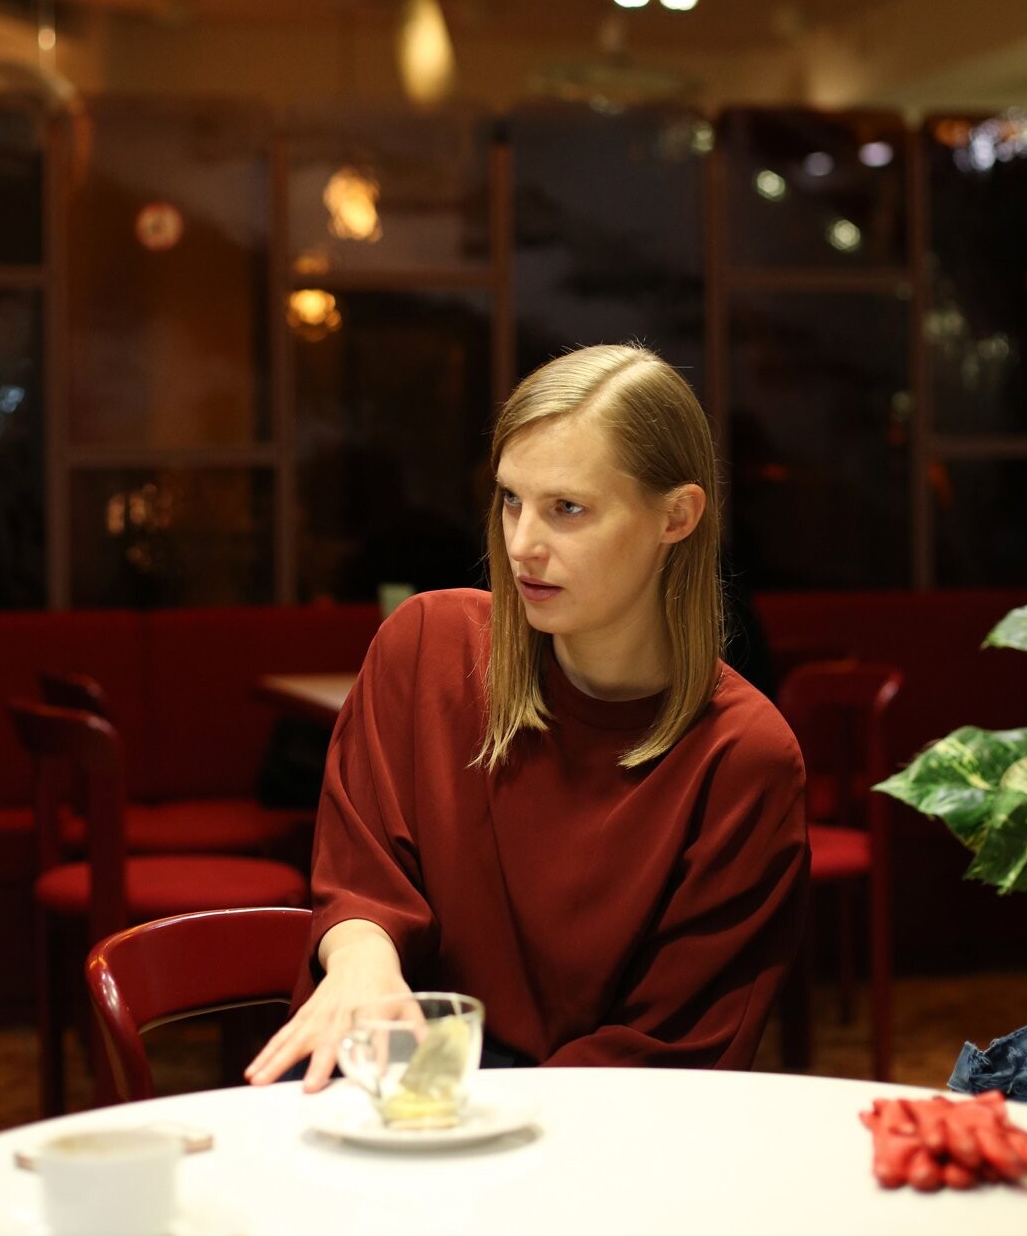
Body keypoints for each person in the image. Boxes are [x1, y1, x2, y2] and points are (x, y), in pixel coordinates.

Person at [247, 342, 808, 1090]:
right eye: (511, 499)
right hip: (389, 1096)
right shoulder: (424, 647)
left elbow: (668, 1058)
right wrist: (358, 962)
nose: (522, 545)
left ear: (676, 516)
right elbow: (360, 878)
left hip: (591, 1146)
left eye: (566, 509)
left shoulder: (742, 758)